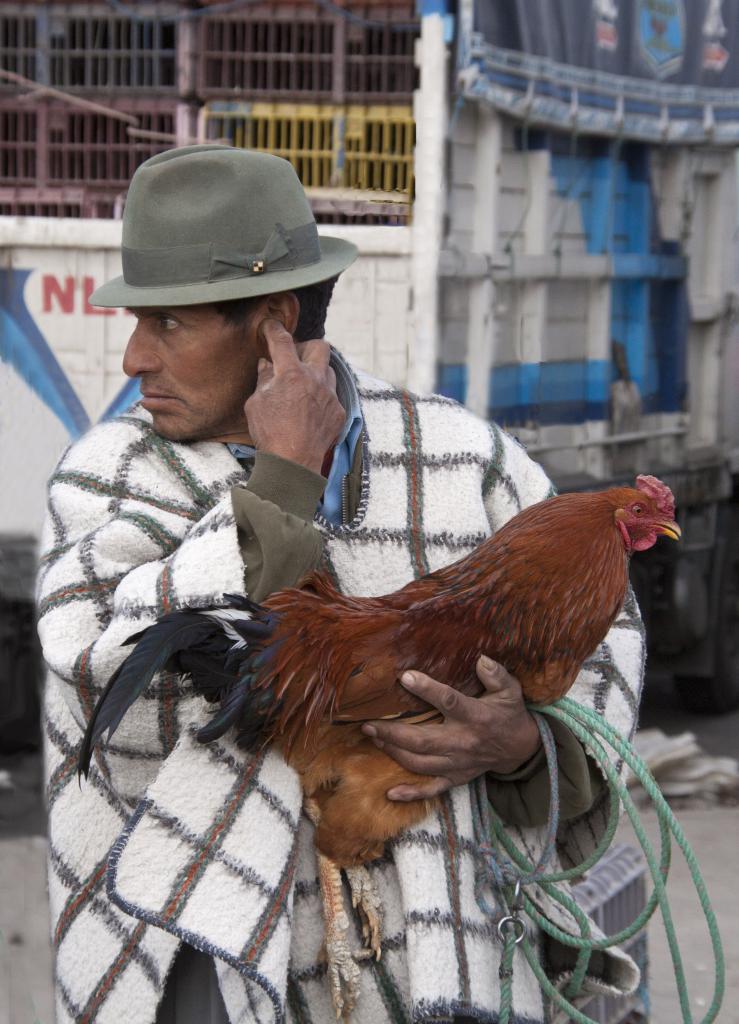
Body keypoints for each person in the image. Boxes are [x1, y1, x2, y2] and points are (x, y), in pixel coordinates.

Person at [37, 145, 643, 1024]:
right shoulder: (109, 475)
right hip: (203, 957)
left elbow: (599, 676)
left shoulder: (468, 460)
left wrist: (519, 749)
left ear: (275, 320)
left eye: (169, 323)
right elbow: (104, 678)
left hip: (446, 954)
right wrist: (281, 476)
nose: (134, 356)